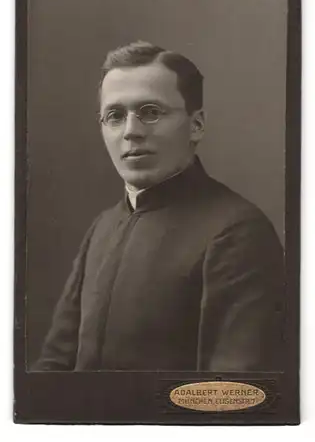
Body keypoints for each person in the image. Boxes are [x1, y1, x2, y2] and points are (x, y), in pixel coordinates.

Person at [34, 41, 284, 372]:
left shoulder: (237, 232)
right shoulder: (103, 228)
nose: (131, 132)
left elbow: (231, 391)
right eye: (114, 116)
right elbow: (53, 367)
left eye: (151, 112)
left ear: (197, 125)